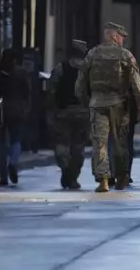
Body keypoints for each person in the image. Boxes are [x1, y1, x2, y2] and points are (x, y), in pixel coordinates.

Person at [75, 22, 140, 192]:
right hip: (119, 105)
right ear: (114, 36)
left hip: (97, 104)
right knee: (119, 142)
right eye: (121, 37)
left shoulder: (92, 54)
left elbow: (80, 84)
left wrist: (86, 102)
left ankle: (103, 179)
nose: (123, 40)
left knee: (100, 143)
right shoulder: (125, 55)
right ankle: (121, 176)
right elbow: (137, 84)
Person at [47, 40, 88, 189]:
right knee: (79, 146)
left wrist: (52, 109)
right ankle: (73, 176)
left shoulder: (60, 68)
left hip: (63, 113)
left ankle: (65, 166)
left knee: (62, 143)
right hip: (83, 113)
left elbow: (51, 90)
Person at [0, 48, 30, 186]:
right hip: (17, 109)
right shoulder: (21, 73)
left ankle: (3, 175)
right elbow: (27, 92)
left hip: (1, 110)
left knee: (2, 143)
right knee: (16, 139)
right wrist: (27, 108)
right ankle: (14, 162)